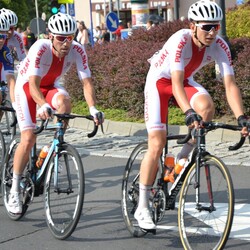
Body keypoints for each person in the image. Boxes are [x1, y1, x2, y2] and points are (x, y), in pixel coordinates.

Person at [134, 0, 250, 230]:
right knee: (156, 144)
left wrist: (241, 117)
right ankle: (142, 205)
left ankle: (181, 158)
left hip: (184, 82)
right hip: (159, 83)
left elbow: (230, 85)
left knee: (207, 107)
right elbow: (175, 83)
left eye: (216, 27)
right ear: (193, 25)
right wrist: (188, 112)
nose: (212, 32)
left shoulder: (220, 45)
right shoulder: (181, 40)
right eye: (207, 27)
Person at [7, 13, 104, 214]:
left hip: (50, 86)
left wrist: (93, 108)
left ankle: (55, 149)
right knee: (28, 138)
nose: (66, 42)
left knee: (65, 103)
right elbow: (33, 85)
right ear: (50, 36)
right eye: (61, 38)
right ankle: (14, 189)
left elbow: (86, 83)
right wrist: (42, 105)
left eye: (70, 37)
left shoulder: (77, 49)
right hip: (27, 89)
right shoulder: (40, 48)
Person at [0, 14, 15, 105]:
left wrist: (15, 103)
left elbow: (11, 80)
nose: (2, 40)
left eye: (4, 37)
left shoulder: (5, 51)